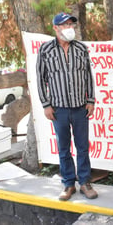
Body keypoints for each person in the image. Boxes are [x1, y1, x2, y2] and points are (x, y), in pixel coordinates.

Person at [36, 12, 97, 201]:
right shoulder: (46, 50)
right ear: (55, 28)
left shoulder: (81, 49)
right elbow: (40, 78)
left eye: (71, 24)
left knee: (83, 147)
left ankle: (85, 182)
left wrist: (91, 100)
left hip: (80, 107)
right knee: (63, 148)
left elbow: (88, 76)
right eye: (65, 25)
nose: (69, 28)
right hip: (58, 109)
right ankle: (68, 184)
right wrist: (46, 105)